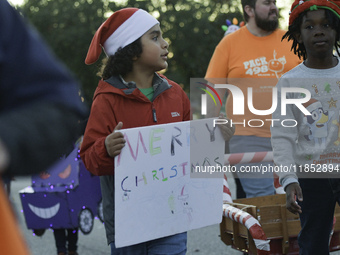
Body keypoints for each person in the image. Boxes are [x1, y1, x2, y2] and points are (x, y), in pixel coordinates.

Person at [80, 7, 234, 255]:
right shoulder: (106, 100)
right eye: (154, 37)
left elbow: (194, 157)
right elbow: (89, 159)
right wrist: (105, 148)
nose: (165, 44)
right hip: (126, 227)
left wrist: (215, 137)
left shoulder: (177, 95)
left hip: (172, 219)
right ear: (130, 50)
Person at [0, 1, 87, 254]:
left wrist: (7, 140)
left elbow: (60, 104)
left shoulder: (179, 92)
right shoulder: (107, 93)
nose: (165, 45)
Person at [205, 0, 301, 198]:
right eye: (267, 3)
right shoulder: (229, 44)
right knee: (263, 202)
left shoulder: (292, 40)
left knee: (301, 199)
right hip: (247, 138)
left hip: (295, 137)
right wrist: (209, 134)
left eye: (274, 2)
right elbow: (213, 89)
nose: (273, 7)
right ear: (249, 10)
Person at [271, 0, 340, 254]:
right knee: (312, 243)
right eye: (310, 26)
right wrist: (289, 180)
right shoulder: (289, 83)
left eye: (326, 25)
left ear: (337, 31)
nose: (319, 31)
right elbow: (282, 135)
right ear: (298, 36)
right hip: (310, 177)